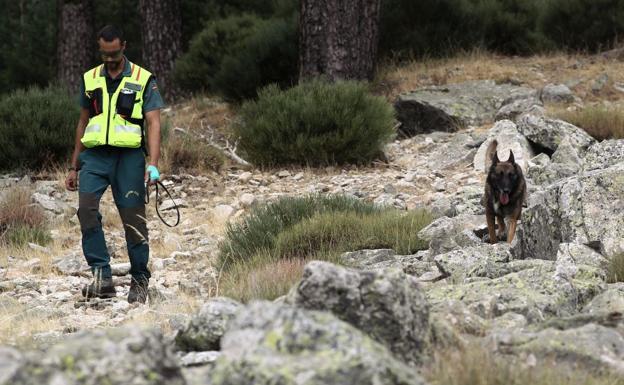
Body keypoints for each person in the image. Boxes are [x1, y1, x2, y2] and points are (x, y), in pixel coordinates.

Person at [65, 25, 164, 304]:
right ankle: (102, 277)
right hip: (95, 157)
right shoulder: (90, 78)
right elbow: (83, 121)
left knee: (133, 220)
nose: (109, 59)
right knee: (86, 211)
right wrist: (74, 166)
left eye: (115, 53)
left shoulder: (144, 78)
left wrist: (153, 164)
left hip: (128, 159)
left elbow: (154, 122)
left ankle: (140, 280)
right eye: (104, 54)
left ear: (124, 46)